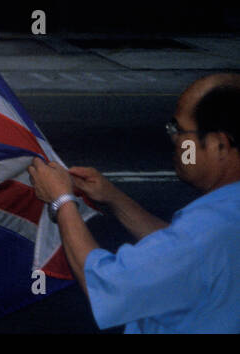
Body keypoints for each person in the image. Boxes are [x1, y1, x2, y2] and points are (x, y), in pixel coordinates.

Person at [28, 73, 240, 332]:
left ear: (220, 145)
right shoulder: (226, 216)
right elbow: (185, 253)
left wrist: (61, 201)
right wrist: (115, 199)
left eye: (180, 130)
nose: (174, 141)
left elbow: (110, 285)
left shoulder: (209, 226)